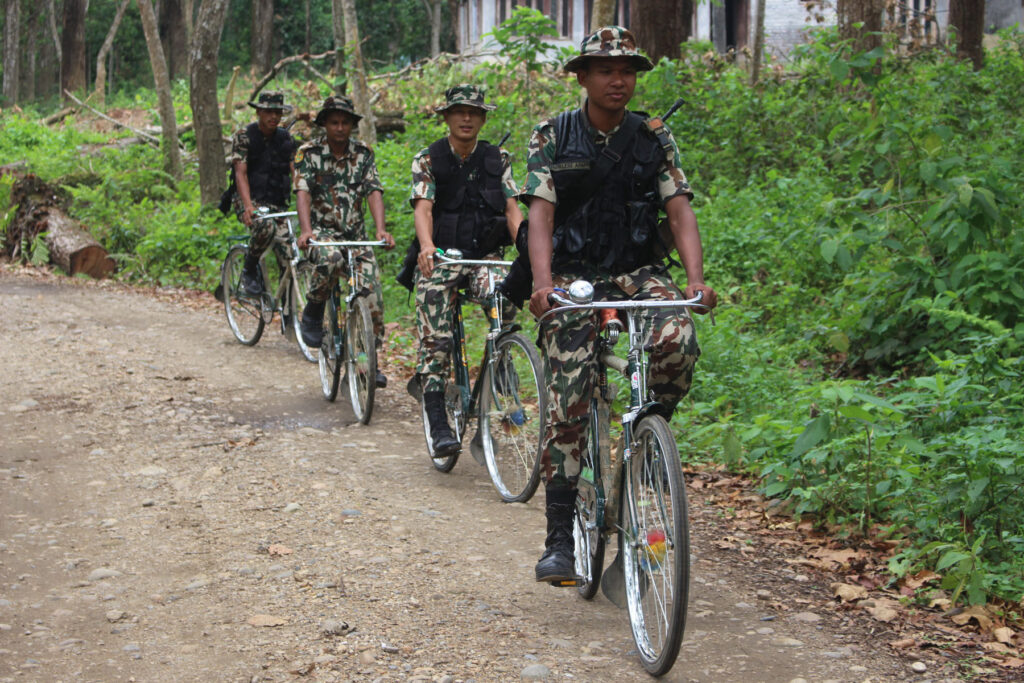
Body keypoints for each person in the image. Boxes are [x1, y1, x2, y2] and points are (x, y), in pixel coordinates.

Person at [520, 27, 719, 583]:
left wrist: (696, 282)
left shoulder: (653, 137)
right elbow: (540, 214)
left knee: (678, 342)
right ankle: (560, 537)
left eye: (627, 71)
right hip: (573, 275)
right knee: (570, 395)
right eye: (606, 70)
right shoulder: (553, 135)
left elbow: (678, 209)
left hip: (637, 272)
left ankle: (648, 442)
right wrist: (543, 285)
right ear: (582, 77)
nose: (618, 80)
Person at [408, 84, 524, 457]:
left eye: (474, 112)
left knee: (505, 295)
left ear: (483, 118)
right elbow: (423, 208)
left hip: (484, 256)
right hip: (442, 257)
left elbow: (512, 209)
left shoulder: (497, 159)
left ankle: (502, 366)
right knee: (437, 339)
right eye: (459, 111)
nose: (467, 118)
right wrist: (427, 246)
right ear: (447, 116)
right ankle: (437, 420)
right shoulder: (428, 159)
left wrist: (527, 248)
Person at [295, 95, 395, 388]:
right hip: (323, 234)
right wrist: (306, 231)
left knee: (372, 298)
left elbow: (373, 190)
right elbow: (303, 192)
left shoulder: (363, 153)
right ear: (325, 124)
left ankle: (366, 363)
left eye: (345, 123)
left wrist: (381, 230)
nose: (340, 128)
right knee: (330, 259)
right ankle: (314, 309)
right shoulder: (309, 153)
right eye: (334, 122)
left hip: (356, 236)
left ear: (352, 125)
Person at [226, 91, 298, 296]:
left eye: (277, 112)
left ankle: (288, 308)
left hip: (277, 202)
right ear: (258, 112)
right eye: (268, 112)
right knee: (265, 226)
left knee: (290, 254)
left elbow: (296, 171)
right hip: (249, 199)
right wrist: (248, 206)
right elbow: (240, 173)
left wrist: (305, 195)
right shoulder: (245, 136)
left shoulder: (286, 139)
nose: (273, 117)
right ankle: (249, 268)